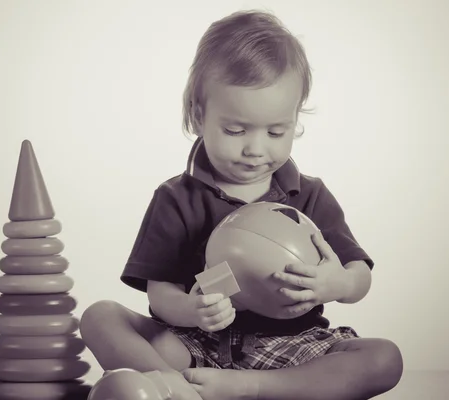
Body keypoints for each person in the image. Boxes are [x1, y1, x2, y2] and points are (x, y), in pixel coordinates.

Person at [80, 9, 403, 400]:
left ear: (295, 120)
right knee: (100, 316)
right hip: (193, 346)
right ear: (199, 116)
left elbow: (359, 276)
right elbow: (159, 292)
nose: (255, 148)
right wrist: (190, 311)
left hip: (290, 348)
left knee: (384, 358)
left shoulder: (310, 195)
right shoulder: (176, 198)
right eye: (235, 130)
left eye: (275, 131)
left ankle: (247, 389)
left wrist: (338, 283)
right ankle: (177, 389)